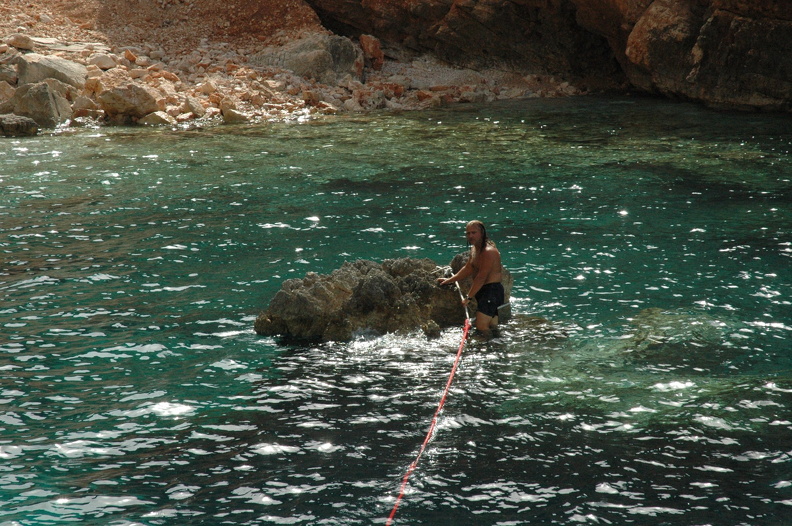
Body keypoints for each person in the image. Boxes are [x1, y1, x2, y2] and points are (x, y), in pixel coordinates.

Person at [437, 220, 505, 333]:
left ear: (482, 233)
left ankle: (489, 348)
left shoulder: (489, 251)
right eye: (468, 233)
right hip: (484, 292)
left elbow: (481, 277)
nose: (470, 236)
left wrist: (468, 298)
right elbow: (468, 268)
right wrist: (450, 280)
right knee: (492, 325)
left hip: (492, 291)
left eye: (474, 232)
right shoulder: (475, 249)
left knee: (482, 327)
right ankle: (496, 346)